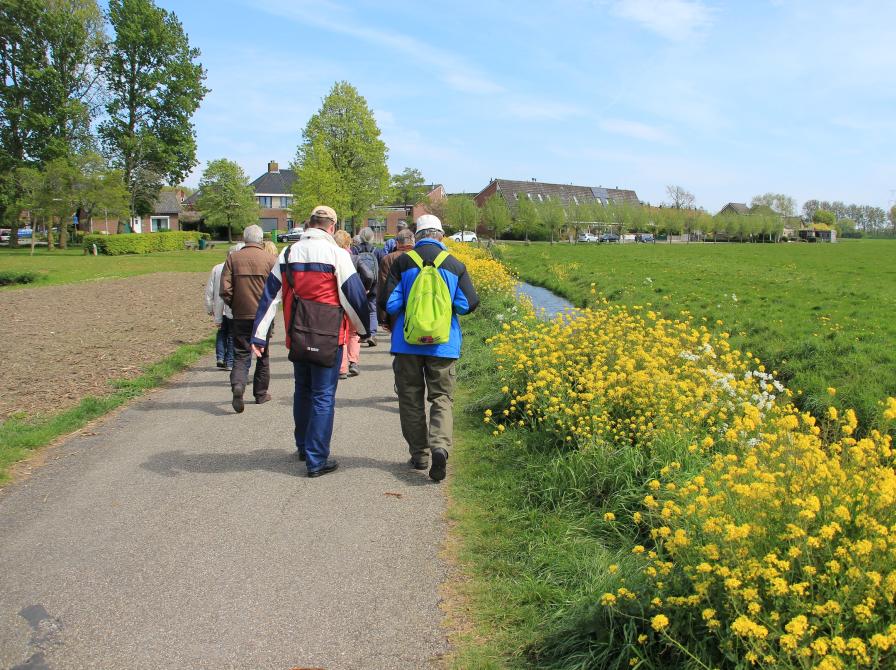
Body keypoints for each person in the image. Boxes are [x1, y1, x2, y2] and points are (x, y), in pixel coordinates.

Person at [251, 206, 370, 478]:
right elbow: (353, 297)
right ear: (331, 227)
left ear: (309, 225)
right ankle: (317, 459)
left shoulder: (288, 253)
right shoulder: (337, 254)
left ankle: (303, 446)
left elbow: (270, 297)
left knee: (302, 391)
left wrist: (258, 334)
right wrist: (363, 331)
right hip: (328, 336)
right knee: (323, 396)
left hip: (298, 334)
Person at [379, 214, 479, 482]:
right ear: (441, 236)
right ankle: (440, 448)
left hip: (407, 344)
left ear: (417, 235)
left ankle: (420, 455)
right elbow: (468, 304)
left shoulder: (403, 262)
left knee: (410, 399)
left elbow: (389, 304)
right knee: (441, 399)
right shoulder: (455, 264)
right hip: (443, 346)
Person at [220, 225, 276, 413]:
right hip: (263, 316)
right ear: (260, 239)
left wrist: (234, 304)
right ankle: (260, 394)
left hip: (241, 314)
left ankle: (238, 384)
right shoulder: (270, 259)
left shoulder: (233, 259)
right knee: (263, 354)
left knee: (241, 353)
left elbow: (225, 289)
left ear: (244, 239)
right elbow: (277, 288)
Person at [334, 229, 362, 380]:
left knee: (342, 335)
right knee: (353, 332)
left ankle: (342, 368)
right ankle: (354, 362)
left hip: (338, 300)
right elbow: (369, 275)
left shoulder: (332, 258)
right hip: (353, 300)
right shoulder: (354, 258)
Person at [376, 228, 414, 328]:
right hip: (416, 307)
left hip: (395, 309)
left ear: (397, 243)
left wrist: (383, 318)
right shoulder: (419, 256)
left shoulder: (387, 259)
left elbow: (383, 287)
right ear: (413, 242)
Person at [204, 251, 236, 370]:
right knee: (232, 334)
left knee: (222, 332)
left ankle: (220, 357)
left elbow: (209, 290)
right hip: (230, 308)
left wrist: (209, 307)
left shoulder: (217, 268)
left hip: (219, 307)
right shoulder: (236, 269)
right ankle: (229, 361)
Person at [354, 226, 380, 347]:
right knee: (372, 309)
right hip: (373, 284)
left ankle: (361, 334)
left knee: (358, 309)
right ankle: (372, 334)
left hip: (358, 284)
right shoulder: (377, 251)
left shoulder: (354, 250)